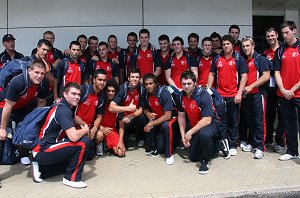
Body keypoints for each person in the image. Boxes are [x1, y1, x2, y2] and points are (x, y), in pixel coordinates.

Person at [31, 82, 91, 188]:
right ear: (65, 94)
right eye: (73, 94)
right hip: (43, 150)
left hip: (46, 148)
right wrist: (85, 129)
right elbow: (73, 136)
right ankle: (71, 179)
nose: (77, 97)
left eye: (78, 94)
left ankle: (41, 168)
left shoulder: (64, 106)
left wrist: (84, 125)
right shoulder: (63, 110)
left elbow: (75, 118)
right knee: (83, 143)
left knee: (72, 160)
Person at [0, 60, 49, 164]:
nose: (39, 76)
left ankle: (24, 154)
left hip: (22, 106)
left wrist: (37, 122)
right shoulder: (18, 82)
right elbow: (8, 106)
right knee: (3, 137)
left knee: (29, 129)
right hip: (4, 107)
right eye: (36, 72)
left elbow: (41, 103)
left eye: (42, 73)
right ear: (30, 71)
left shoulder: (44, 82)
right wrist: (3, 128)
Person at [207, 34, 248, 156]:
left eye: (228, 44)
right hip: (220, 96)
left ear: (233, 45)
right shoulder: (217, 58)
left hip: (233, 95)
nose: (225, 46)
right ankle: (223, 144)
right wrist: (209, 91)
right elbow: (212, 74)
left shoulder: (238, 58)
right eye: (224, 44)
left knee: (233, 121)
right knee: (221, 122)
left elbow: (244, 76)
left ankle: (232, 145)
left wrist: (239, 93)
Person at [178, 70, 219, 174]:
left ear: (194, 83)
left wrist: (190, 132)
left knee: (204, 134)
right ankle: (217, 146)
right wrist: (183, 136)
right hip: (195, 126)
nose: (186, 86)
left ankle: (204, 162)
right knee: (193, 157)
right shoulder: (180, 96)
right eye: (184, 84)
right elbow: (181, 116)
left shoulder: (203, 95)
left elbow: (207, 120)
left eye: (189, 84)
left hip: (211, 123)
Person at [274, 20, 300, 161]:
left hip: (298, 93)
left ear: (294, 31)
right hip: (284, 94)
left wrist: (292, 89)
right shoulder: (280, 51)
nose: (285, 36)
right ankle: (292, 151)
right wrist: (283, 90)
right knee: (289, 124)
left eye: (287, 32)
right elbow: (277, 72)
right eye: (283, 33)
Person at [241, 36, 270, 159]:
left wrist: (252, 86)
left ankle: (260, 147)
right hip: (247, 96)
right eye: (243, 46)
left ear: (253, 46)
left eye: (248, 45)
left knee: (259, 122)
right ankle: (253, 144)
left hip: (259, 95)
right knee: (250, 121)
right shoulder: (244, 60)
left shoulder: (260, 58)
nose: (245, 48)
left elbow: (266, 76)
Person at [142, 73, 180, 165]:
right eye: (146, 84)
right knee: (160, 149)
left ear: (156, 83)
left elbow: (168, 116)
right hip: (158, 119)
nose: (148, 86)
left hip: (173, 119)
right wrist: (148, 114)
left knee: (166, 125)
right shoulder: (146, 93)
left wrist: (151, 123)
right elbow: (145, 108)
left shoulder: (164, 92)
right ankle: (154, 146)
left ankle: (169, 155)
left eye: (150, 83)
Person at [109, 67, 146, 148]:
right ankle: (126, 136)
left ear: (140, 79)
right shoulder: (123, 88)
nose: (134, 79)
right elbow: (111, 107)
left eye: (137, 77)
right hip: (123, 118)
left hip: (134, 116)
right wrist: (128, 108)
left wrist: (131, 116)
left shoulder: (142, 89)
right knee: (124, 145)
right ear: (128, 78)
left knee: (142, 118)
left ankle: (140, 137)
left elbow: (141, 109)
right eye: (132, 77)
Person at [75, 69, 107, 157]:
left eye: (104, 80)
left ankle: (97, 144)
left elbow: (99, 116)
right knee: (85, 155)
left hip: (90, 128)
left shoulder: (102, 97)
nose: (102, 82)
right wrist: (85, 127)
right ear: (94, 80)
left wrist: (95, 128)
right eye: (100, 80)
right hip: (77, 126)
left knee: (100, 136)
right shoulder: (83, 90)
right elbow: (72, 114)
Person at [263, 28, 285, 152]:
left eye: (272, 35)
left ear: (277, 35)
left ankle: (280, 142)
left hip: (282, 88)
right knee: (269, 115)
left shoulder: (283, 49)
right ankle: (269, 140)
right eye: (268, 36)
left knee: (283, 116)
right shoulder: (265, 52)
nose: (270, 38)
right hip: (269, 89)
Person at [94, 79, 126, 157]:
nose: (110, 93)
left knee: (121, 153)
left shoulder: (118, 104)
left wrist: (121, 141)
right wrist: (102, 128)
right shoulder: (100, 101)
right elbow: (93, 119)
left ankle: (106, 144)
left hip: (111, 130)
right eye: (108, 91)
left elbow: (121, 125)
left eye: (113, 91)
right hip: (100, 128)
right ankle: (99, 143)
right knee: (99, 135)